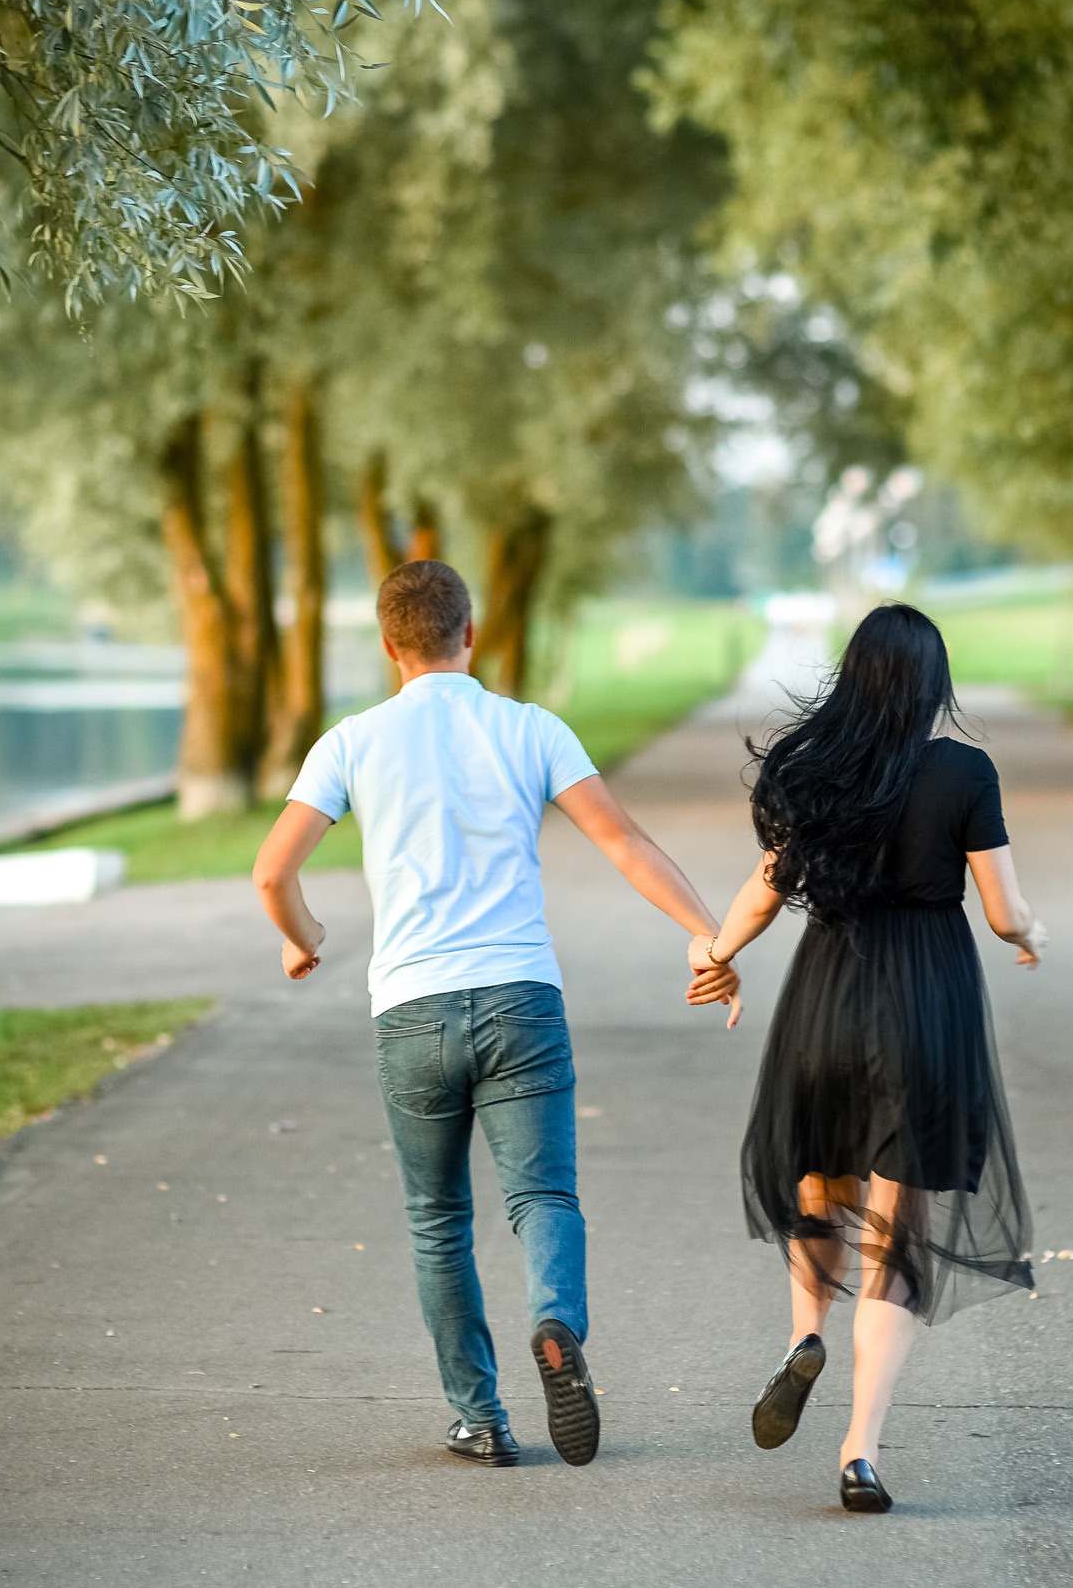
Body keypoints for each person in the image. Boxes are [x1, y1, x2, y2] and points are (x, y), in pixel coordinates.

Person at [253, 559, 739, 1469]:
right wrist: (713, 936)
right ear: (470, 634)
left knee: (439, 1218)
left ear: (391, 646)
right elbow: (625, 842)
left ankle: (480, 1417)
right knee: (543, 1194)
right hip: (521, 995)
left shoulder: (350, 742)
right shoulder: (530, 728)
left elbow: (272, 872)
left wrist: (304, 935)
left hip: (411, 1008)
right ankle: (555, 1320)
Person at [688, 602, 1046, 1513]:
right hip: (925, 999)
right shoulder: (965, 770)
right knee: (899, 1226)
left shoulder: (815, 769)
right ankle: (860, 1451)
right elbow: (1002, 911)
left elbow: (764, 895)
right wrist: (1030, 931)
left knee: (820, 1181)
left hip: (827, 996)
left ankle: (805, 1333)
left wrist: (716, 955)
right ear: (932, 684)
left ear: (854, 675)